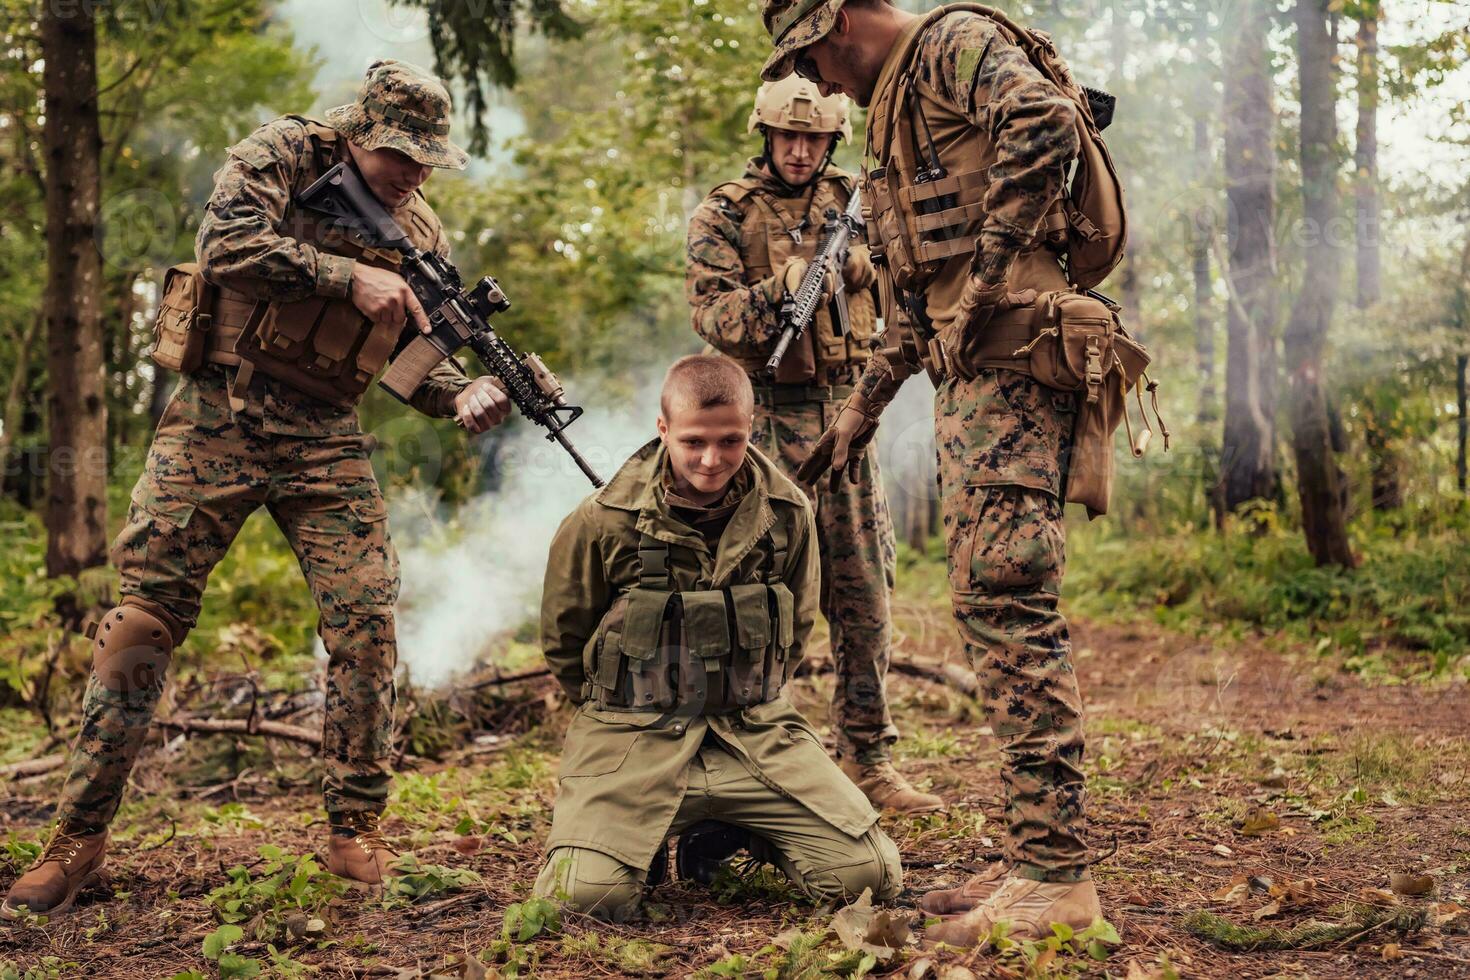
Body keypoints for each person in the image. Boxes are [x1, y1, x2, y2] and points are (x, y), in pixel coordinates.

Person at [2, 59, 512, 920]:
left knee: (365, 622)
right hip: (219, 417)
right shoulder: (281, 153)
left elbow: (406, 360)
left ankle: (355, 828)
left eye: (429, 160)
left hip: (325, 438)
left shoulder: (421, 232)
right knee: (142, 622)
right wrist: (346, 274)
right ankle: (76, 837)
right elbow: (225, 245)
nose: (415, 173)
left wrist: (457, 392)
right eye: (400, 155)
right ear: (358, 133)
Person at [759, 0, 1107, 944]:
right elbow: (920, 296)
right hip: (978, 375)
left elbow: (1047, 121)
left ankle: (1057, 880)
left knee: (1007, 598)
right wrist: (858, 415)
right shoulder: (899, 110)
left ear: (837, 20)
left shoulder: (948, 45)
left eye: (813, 59)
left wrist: (990, 276)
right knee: (990, 603)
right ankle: (1039, 861)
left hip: (1015, 362)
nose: (819, 84)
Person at [532, 354, 902, 921]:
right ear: (663, 431)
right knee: (583, 900)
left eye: (730, 441)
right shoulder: (601, 521)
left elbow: (796, 630)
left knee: (869, 876)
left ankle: (731, 831)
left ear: (751, 428)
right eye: (693, 442)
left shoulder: (787, 515)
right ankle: (639, 842)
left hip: (752, 733)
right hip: (634, 737)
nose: (712, 459)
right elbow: (565, 641)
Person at [686, 75, 940, 815]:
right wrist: (780, 289)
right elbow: (712, 317)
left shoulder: (861, 200)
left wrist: (863, 269)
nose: (800, 152)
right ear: (765, 136)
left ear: (833, 140)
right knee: (761, 600)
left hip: (848, 415)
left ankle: (867, 758)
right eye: (787, 138)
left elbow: (913, 284)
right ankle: (764, 758)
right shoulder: (723, 213)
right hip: (762, 426)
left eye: (815, 140)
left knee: (863, 595)